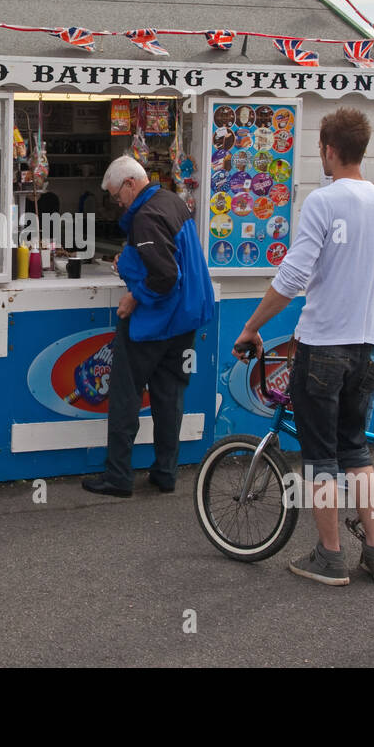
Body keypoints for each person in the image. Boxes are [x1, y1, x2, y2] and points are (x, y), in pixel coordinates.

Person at [232, 108, 374, 585]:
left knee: (320, 457)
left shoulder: (323, 202)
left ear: (328, 149)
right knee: (357, 451)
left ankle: (330, 556)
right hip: (368, 346)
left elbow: (292, 277)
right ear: (363, 148)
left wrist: (251, 326)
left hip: (324, 344)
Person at [82, 155, 214, 497]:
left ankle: (118, 476)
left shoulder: (145, 217)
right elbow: (170, 256)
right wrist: (128, 259)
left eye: (116, 195)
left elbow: (166, 275)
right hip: (184, 320)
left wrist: (133, 297)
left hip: (154, 321)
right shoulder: (171, 201)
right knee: (169, 399)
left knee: (125, 396)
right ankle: (165, 473)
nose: (116, 203)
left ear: (130, 183)